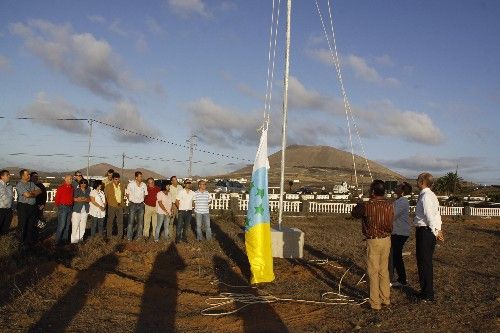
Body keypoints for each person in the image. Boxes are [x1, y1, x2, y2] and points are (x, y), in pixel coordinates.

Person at [352, 180, 394, 311]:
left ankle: (375, 303)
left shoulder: (367, 206)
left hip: (373, 241)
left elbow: (354, 214)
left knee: (373, 271)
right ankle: (385, 298)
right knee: (384, 270)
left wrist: (359, 202)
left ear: (373, 192)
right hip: (387, 239)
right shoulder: (390, 205)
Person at [414, 172, 444, 302]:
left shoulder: (425, 196)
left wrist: (435, 230)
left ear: (422, 182)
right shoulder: (432, 195)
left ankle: (427, 294)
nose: (416, 182)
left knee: (424, 263)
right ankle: (426, 291)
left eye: (418, 180)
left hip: (425, 231)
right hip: (430, 231)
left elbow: (429, 216)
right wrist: (438, 229)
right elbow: (437, 215)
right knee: (426, 262)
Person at [389, 182, 412, 288]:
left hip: (400, 232)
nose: (396, 187)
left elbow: (392, 215)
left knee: (396, 256)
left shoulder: (403, 201)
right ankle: (394, 277)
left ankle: (401, 279)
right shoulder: (398, 200)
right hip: (397, 231)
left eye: (398, 186)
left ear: (402, 191)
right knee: (394, 255)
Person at [16, 169, 41, 247]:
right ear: (23, 176)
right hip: (23, 207)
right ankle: (21, 243)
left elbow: (40, 191)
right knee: (23, 225)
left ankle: (28, 242)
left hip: (32, 207)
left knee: (31, 225)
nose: (29, 176)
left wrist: (31, 193)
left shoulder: (31, 183)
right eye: (27, 175)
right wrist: (33, 193)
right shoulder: (19, 184)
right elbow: (27, 195)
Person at [125, 171, 148, 241]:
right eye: (140, 176)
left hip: (141, 204)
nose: (141, 178)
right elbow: (127, 194)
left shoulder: (144, 185)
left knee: (140, 222)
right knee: (131, 221)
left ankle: (139, 237)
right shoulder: (130, 184)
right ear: (136, 177)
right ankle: (129, 237)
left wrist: (142, 199)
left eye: (141, 176)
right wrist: (130, 200)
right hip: (132, 204)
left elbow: (145, 194)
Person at [105, 172, 125, 239]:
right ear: (113, 179)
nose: (117, 180)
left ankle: (120, 236)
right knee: (110, 221)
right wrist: (107, 204)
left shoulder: (122, 186)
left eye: (118, 179)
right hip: (111, 206)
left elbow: (123, 195)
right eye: (116, 179)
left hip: (120, 206)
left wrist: (123, 204)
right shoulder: (108, 186)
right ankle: (109, 236)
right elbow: (106, 196)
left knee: (120, 222)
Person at [54, 175, 74, 245]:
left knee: (67, 225)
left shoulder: (72, 188)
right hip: (63, 207)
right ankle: (57, 242)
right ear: (65, 179)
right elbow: (57, 199)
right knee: (61, 225)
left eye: (71, 179)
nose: (70, 180)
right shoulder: (61, 187)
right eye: (68, 179)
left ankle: (64, 241)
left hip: (70, 207)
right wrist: (59, 207)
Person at [71, 178, 90, 243]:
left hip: (85, 210)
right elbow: (73, 199)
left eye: (85, 183)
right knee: (75, 225)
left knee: (83, 225)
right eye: (82, 183)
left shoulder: (88, 190)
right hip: (77, 210)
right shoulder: (77, 190)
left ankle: (80, 239)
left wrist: (85, 199)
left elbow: (89, 199)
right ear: (80, 184)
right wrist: (80, 199)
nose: (83, 184)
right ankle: (73, 241)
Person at [0, 170, 14, 234]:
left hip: (9, 210)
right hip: (0, 210)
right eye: (7, 175)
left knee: (5, 229)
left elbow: (11, 198)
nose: (9, 176)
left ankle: (4, 242)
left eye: (9, 174)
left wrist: (12, 208)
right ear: (2, 176)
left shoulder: (10, 186)